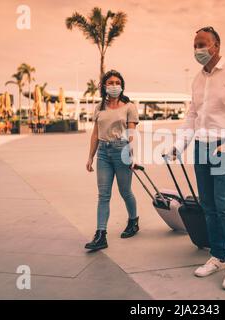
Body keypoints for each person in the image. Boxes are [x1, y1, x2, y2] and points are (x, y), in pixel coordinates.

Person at [166, 26, 225, 290]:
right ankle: (218, 256)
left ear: (216, 45)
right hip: (201, 148)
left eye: (202, 44)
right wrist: (179, 145)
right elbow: (192, 116)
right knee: (208, 206)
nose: (197, 50)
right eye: (195, 45)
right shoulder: (197, 79)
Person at [85, 70, 140, 251]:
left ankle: (133, 221)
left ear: (122, 85)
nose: (114, 85)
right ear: (105, 86)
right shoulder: (99, 107)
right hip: (103, 153)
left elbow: (131, 133)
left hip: (122, 150)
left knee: (125, 191)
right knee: (103, 195)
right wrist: (90, 157)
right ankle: (101, 234)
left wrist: (133, 156)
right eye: (110, 83)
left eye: (117, 82)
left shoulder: (129, 107)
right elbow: (95, 134)